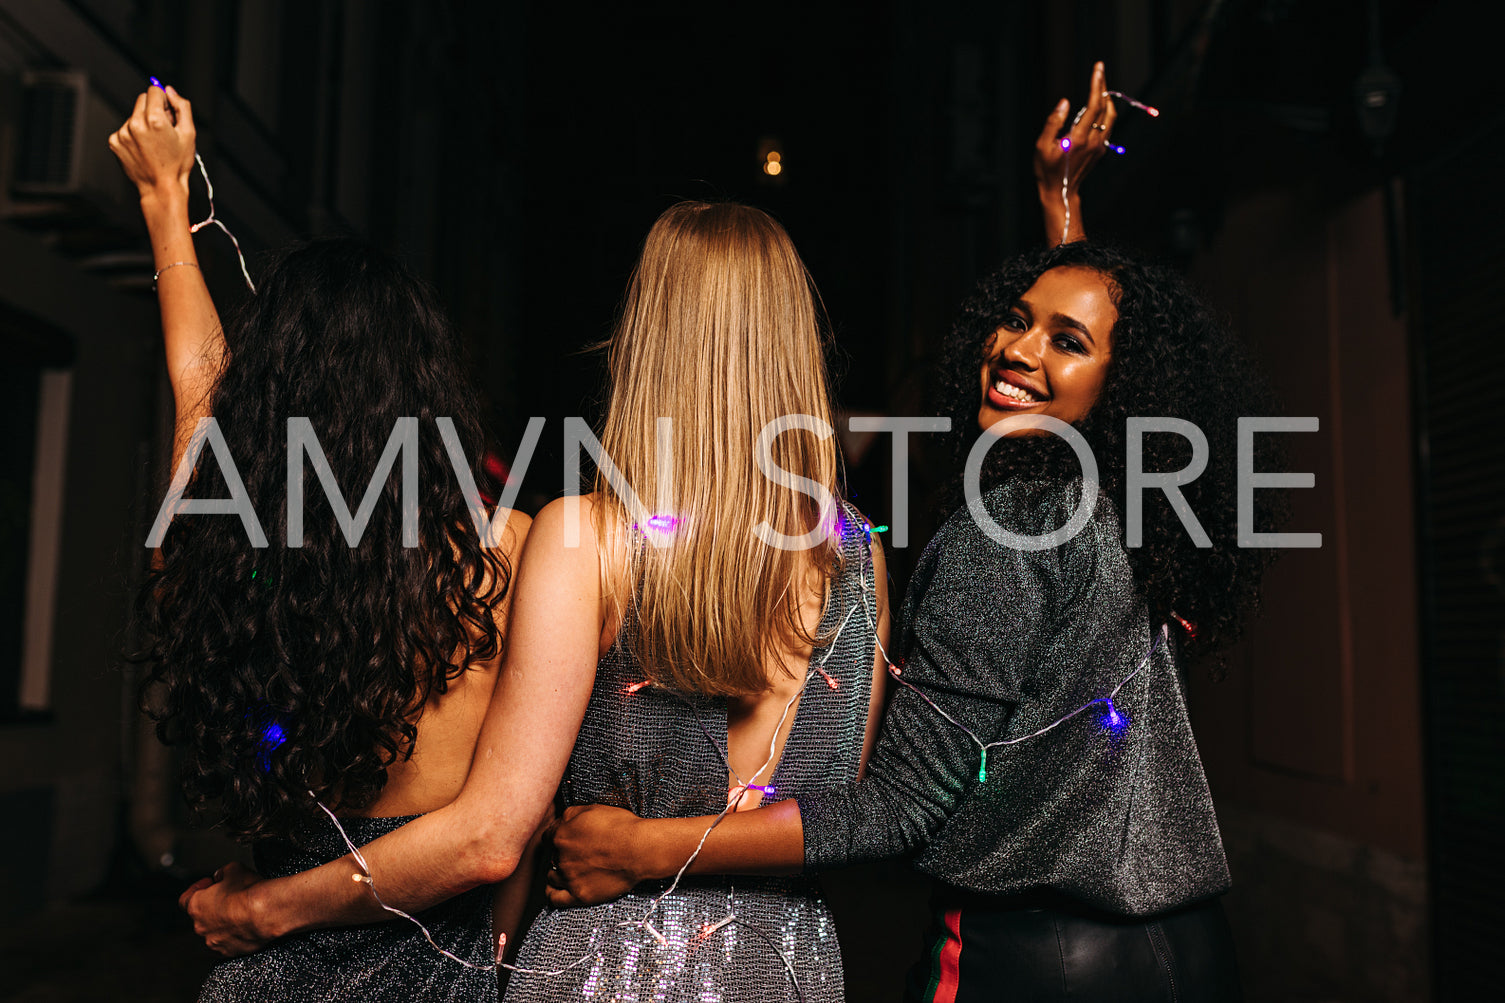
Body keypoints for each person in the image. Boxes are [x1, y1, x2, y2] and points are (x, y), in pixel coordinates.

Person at [179, 200, 892, 1002]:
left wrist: (263, 908)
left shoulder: (583, 537)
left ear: (646, 341)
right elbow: (838, 816)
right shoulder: (856, 553)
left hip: (595, 968)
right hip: (787, 973)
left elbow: (493, 830)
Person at [544, 241, 1276, 998]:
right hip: (1187, 953)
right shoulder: (1132, 517)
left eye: (1063, 340)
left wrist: (643, 849)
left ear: (1122, 383)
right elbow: (1112, 332)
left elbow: (900, 808)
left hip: (1034, 961)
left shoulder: (1005, 529)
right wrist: (1061, 211)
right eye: (1014, 320)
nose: (1014, 350)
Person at [111, 84, 529, 1001]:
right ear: (429, 398)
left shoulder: (216, 542)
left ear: (262, 401)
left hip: (268, 966)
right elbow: (509, 825)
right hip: (438, 964)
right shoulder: (507, 554)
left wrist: (165, 203)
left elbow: (195, 396)